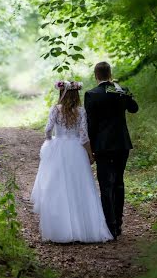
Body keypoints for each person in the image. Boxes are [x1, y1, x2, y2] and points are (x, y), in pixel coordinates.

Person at [31, 80, 112, 243]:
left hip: (59, 148)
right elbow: (83, 136)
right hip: (76, 150)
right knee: (79, 187)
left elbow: (47, 130)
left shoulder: (55, 109)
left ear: (62, 93)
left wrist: (51, 141)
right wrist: (90, 154)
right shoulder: (81, 111)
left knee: (59, 188)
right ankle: (83, 230)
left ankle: (62, 230)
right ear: (77, 94)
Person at [84, 62, 138, 240]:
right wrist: (124, 92)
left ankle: (111, 226)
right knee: (119, 183)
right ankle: (119, 224)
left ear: (96, 75)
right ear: (110, 73)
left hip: (103, 145)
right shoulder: (120, 91)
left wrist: (90, 147)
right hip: (122, 144)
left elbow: (91, 125)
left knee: (106, 185)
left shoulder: (91, 95)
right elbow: (134, 108)